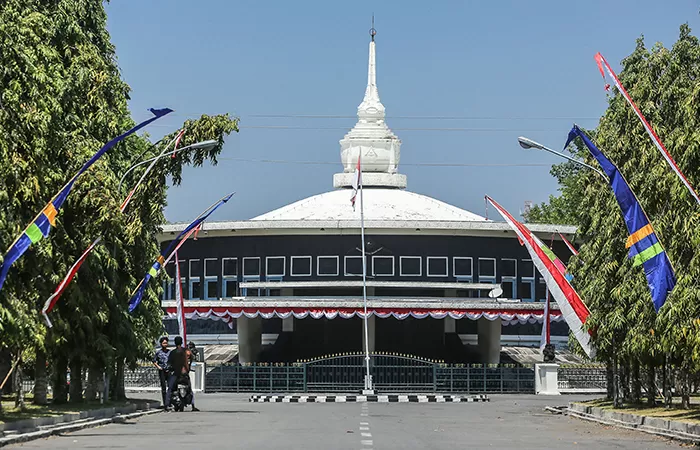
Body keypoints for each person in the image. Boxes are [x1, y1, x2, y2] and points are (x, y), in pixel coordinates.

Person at [152, 337, 170, 408]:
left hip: (168, 371)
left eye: (166, 343)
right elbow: (154, 361)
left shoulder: (169, 352)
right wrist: (158, 367)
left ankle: (169, 402)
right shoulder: (158, 352)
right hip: (162, 371)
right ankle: (165, 403)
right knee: (163, 387)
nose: (165, 344)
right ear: (161, 344)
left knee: (170, 387)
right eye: (164, 343)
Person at [185, 341, 200, 412]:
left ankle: (193, 405)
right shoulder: (189, 352)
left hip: (189, 370)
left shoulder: (191, 352)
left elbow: (196, 359)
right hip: (187, 371)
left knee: (191, 388)